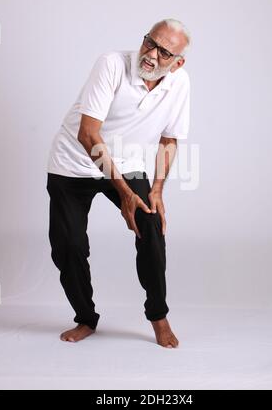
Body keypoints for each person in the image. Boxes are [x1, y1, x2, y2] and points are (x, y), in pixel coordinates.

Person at [46, 18, 191, 348]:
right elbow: (87, 134)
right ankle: (85, 318)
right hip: (73, 163)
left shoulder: (179, 84)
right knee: (68, 246)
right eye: (149, 42)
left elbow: (169, 139)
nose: (152, 55)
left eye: (165, 53)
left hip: (126, 162)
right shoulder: (111, 64)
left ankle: (158, 315)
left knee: (151, 226)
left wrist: (155, 191)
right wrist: (124, 193)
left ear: (178, 63)